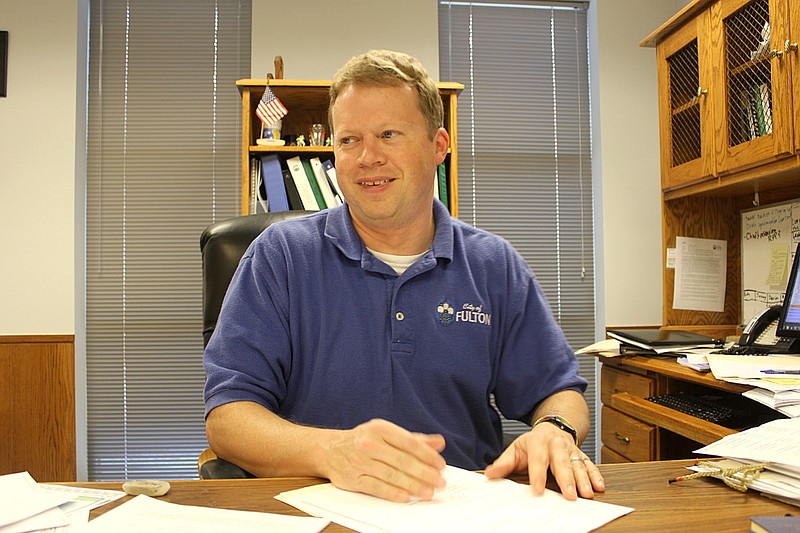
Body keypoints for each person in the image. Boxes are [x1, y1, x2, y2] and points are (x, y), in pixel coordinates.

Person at [204, 49, 605, 503]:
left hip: (463, 511)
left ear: (438, 146)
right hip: (319, 507)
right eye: (349, 140)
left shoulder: (494, 264)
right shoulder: (279, 257)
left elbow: (557, 391)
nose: (366, 158)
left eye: (388, 135)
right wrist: (333, 451)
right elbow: (228, 417)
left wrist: (555, 429)